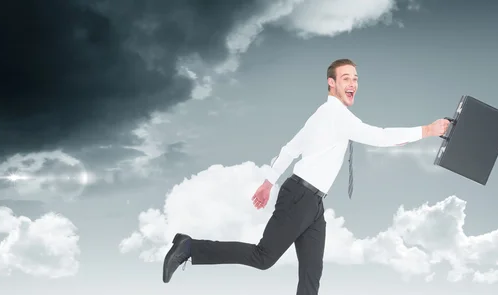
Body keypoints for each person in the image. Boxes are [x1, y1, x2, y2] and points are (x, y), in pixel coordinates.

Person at [161, 58, 450, 295]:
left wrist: (268, 181)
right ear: (331, 83)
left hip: (312, 204)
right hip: (300, 197)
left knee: (311, 275)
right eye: (346, 78)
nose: (353, 83)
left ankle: (191, 247)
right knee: (264, 258)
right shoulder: (335, 115)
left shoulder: (322, 115)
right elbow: (380, 137)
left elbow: (291, 148)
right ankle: (189, 247)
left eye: (356, 79)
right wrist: (427, 130)